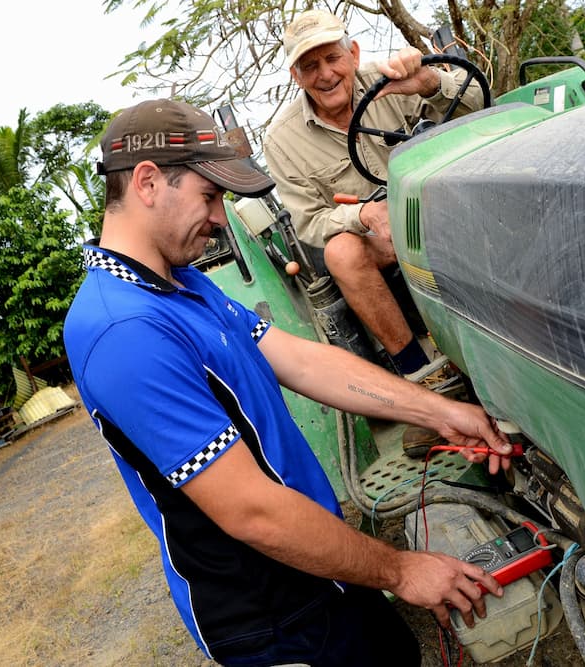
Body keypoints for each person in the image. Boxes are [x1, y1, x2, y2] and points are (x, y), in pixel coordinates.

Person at [64, 98, 513, 667]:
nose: (220, 219)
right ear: (149, 181)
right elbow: (250, 510)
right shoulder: (123, 331)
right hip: (270, 617)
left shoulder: (180, 284)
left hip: (320, 560)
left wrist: (437, 412)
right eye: (209, 196)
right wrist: (400, 568)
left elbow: (299, 360)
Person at [263, 10, 486, 395]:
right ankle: (422, 379)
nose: (325, 74)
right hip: (376, 239)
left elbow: (481, 108)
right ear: (296, 77)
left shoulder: (393, 81)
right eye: (310, 66)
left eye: (333, 58)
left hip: (441, 211)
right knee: (341, 252)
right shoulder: (281, 140)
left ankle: (496, 337)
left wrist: (429, 83)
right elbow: (309, 222)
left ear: (353, 53)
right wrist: (363, 213)